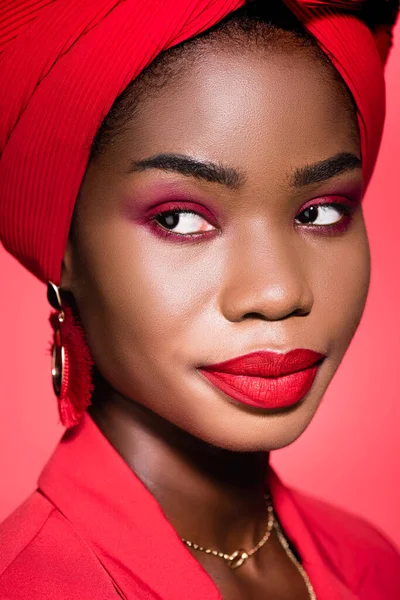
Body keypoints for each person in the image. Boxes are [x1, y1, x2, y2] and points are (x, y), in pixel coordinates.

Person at [0, 0, 399, 598]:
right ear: (63, 244)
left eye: (319, 212)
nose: (279, 293)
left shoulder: (373, 565)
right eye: (182, 219)